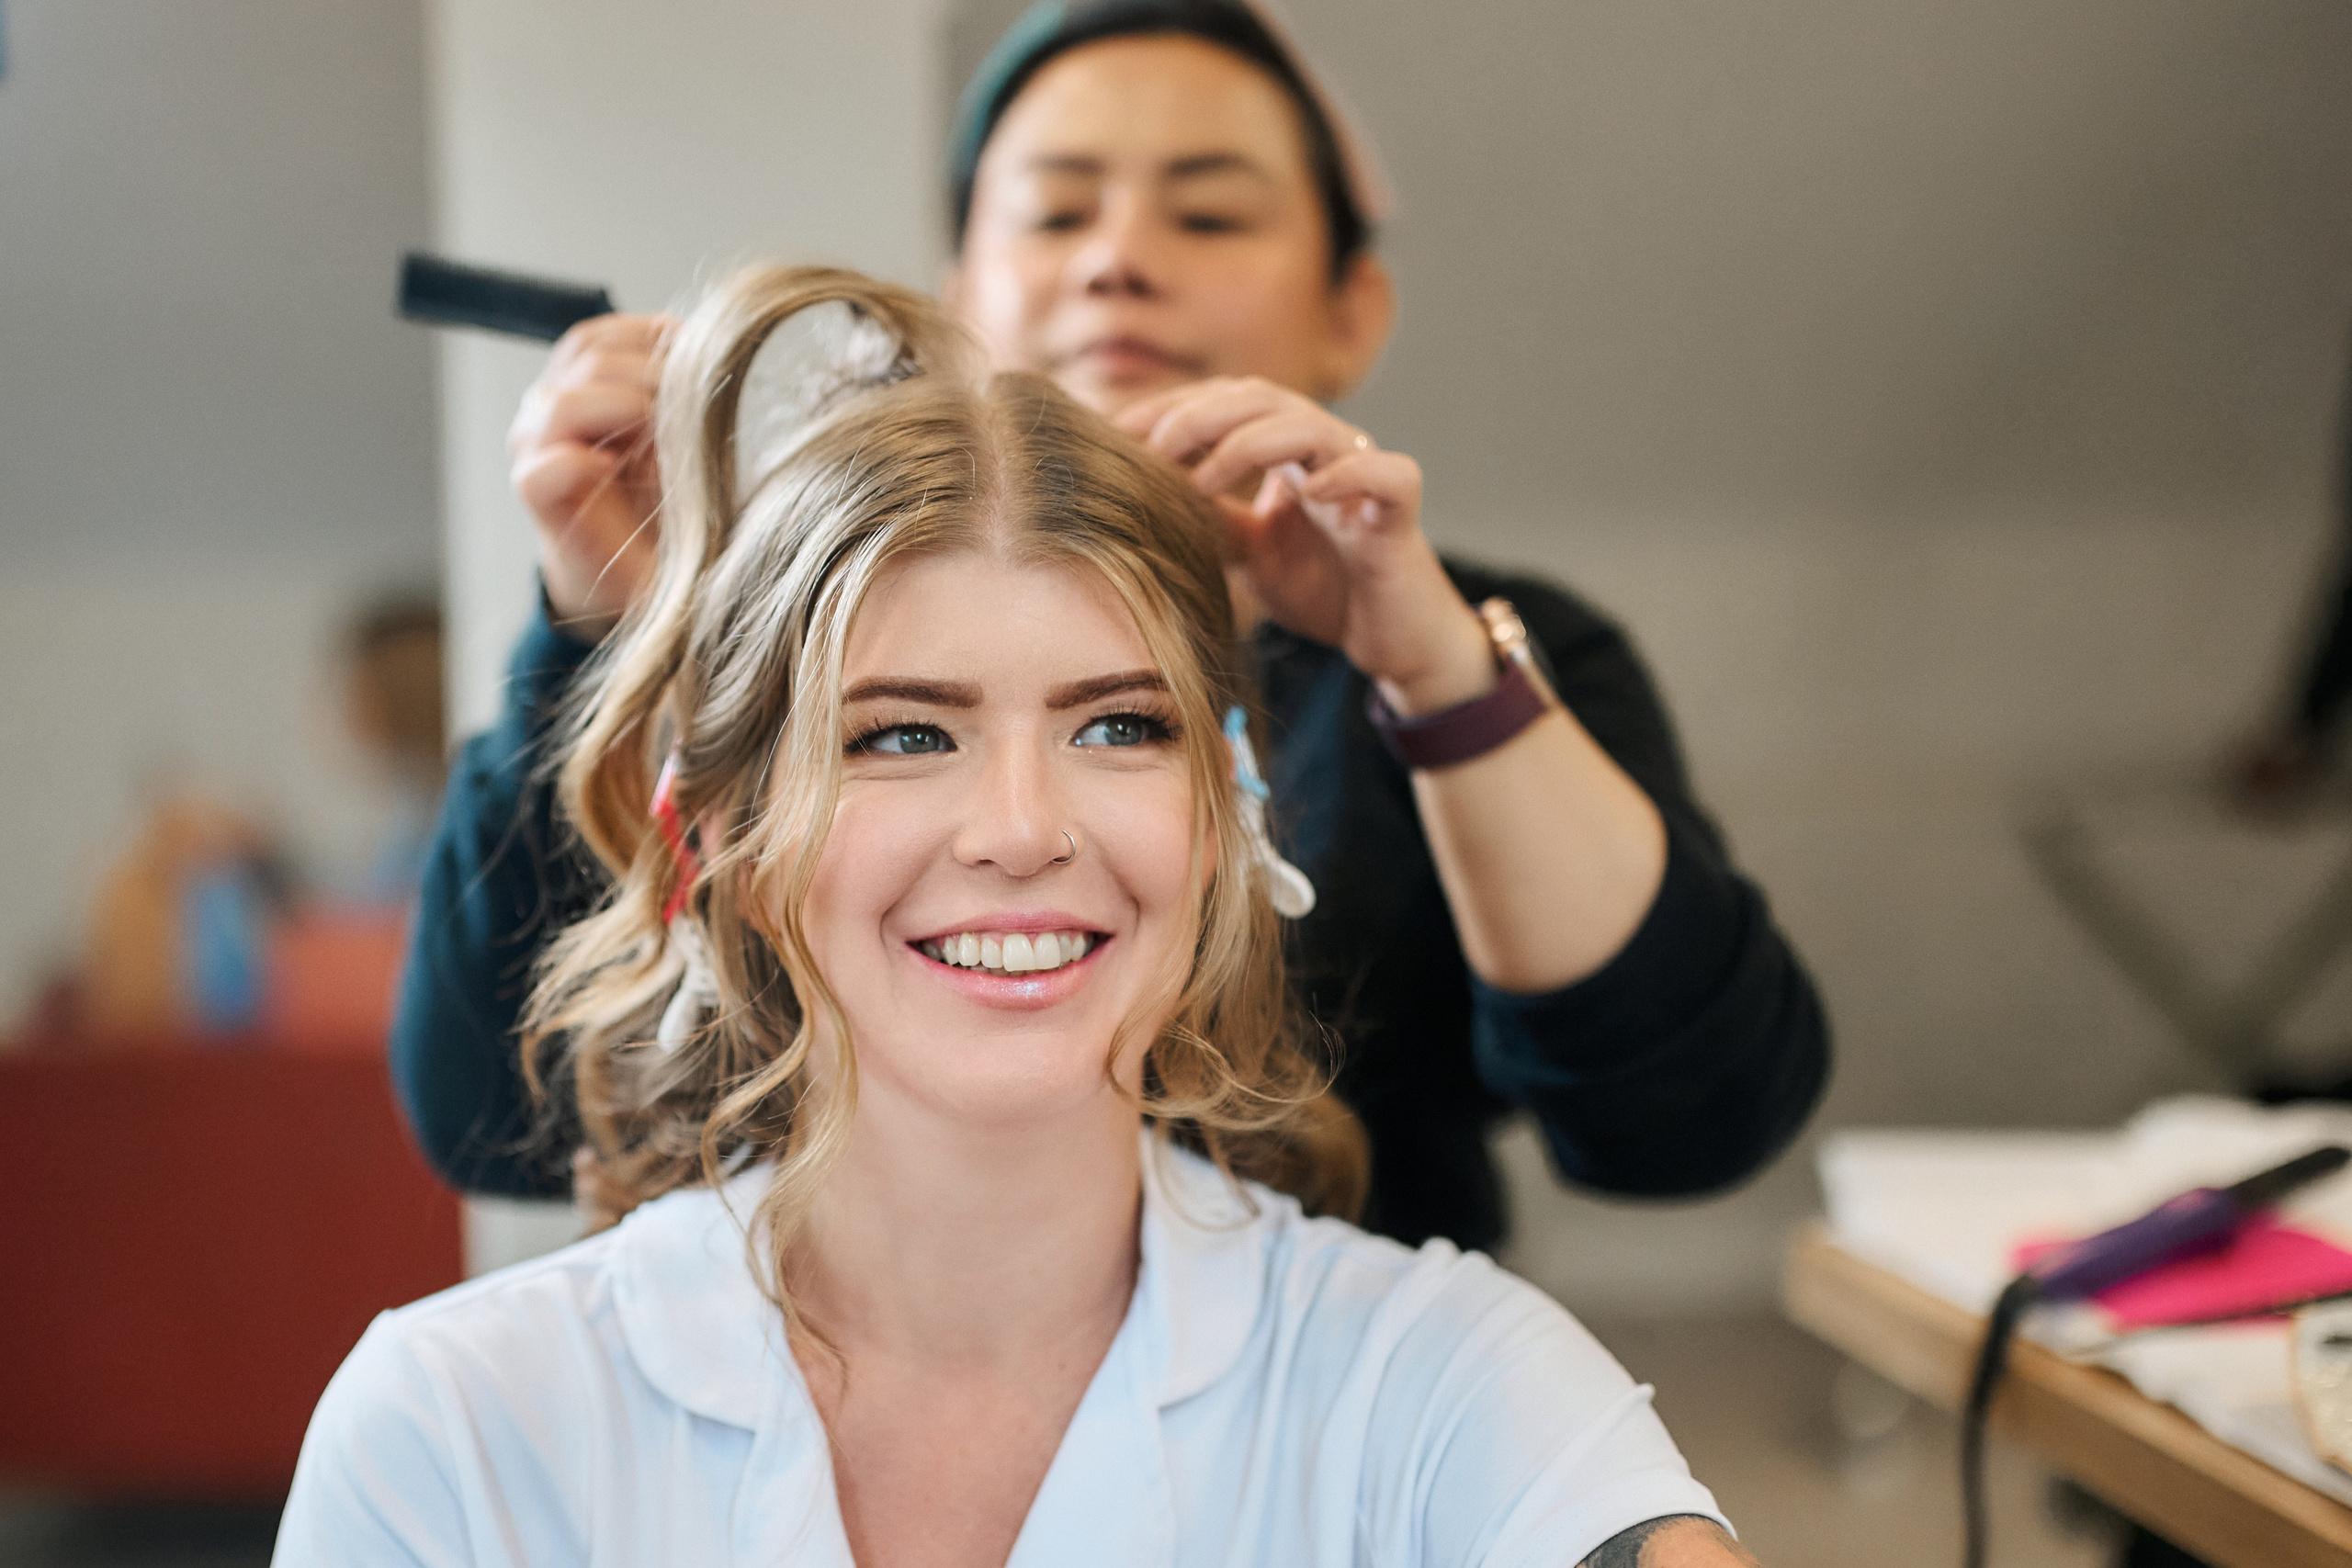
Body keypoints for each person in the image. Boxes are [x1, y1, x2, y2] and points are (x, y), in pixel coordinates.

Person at [277, 264, 1757, 1567]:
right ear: (711, 832)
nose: (1025, 830)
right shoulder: (459, 1433)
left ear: (1229, 810)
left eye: (1118, 728)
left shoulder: (1441, 1387)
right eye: (903, 736)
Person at [396, 0, 1829, 1248]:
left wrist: (1435, 671)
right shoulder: (772, 652)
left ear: (1354, 308)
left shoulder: (1500, 654)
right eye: (1058, 210)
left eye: (1207, 213)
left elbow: (1689, 1126)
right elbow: (484, 1115)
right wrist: (606, 634)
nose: (1117, 261)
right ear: (959, 295)